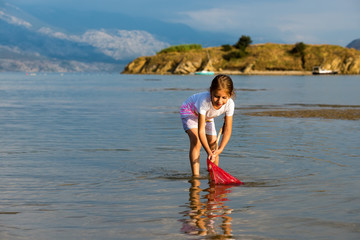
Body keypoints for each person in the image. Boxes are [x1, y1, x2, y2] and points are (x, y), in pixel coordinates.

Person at [180, 75, 235, 176]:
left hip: (207, 116)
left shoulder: (230, 104)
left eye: (224, 97)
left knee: (214, 144)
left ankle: (214, 175)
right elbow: (201, 131)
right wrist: (209, 152)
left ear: (230, 95)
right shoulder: (204, 101)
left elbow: (228, 130)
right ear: (210, 91)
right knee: (196, 141)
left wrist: (219, 150)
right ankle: (195, 177)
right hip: (189, 112)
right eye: (216, 96)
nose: (219, 101)